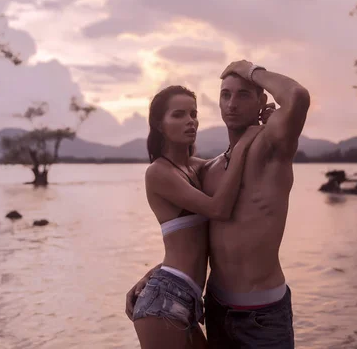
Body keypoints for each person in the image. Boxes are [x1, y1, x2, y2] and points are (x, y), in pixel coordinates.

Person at [127, 60, 310, 348]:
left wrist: (252, 71)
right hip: (214, 308)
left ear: (262, 101)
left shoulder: (272, 148)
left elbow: (297, 96)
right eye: (226, 94)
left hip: (262, 313)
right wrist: (158, 275)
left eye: (243, 94)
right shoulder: (207, 170)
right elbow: (198, 237)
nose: (232, 103)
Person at [129, 85, 263, 349]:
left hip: (188, 298)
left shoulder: (195, 167)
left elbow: (232, 161)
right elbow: (218, 209)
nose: (190, 121)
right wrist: (247, 140)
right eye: (178, 115)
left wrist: (259, 122)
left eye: (193, 113)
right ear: (159, 123)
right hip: (164, 301)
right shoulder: (158, 172)